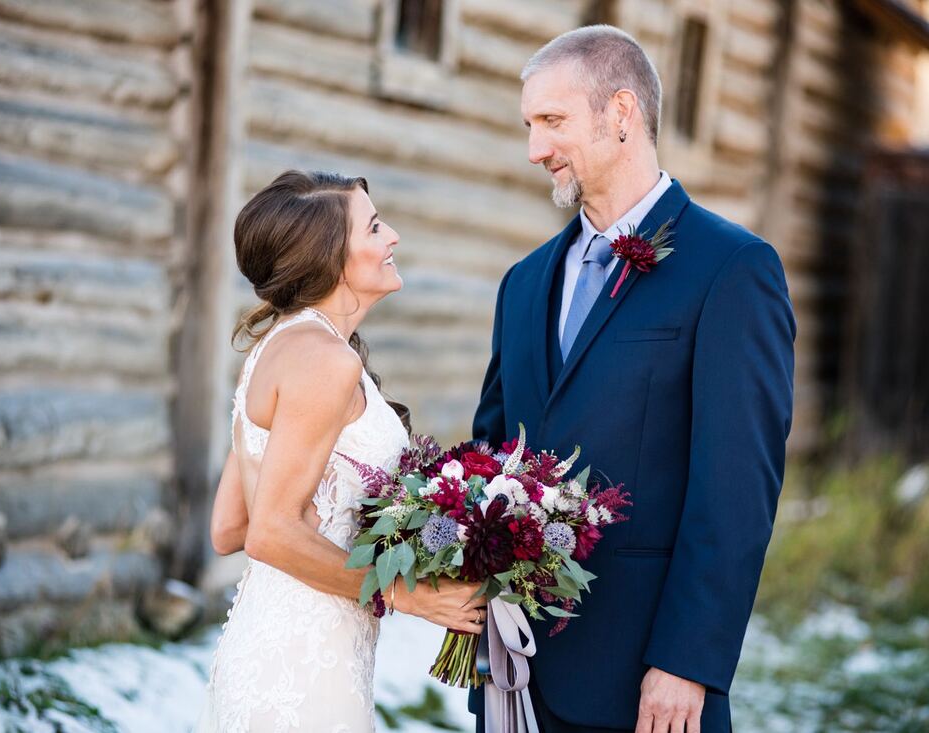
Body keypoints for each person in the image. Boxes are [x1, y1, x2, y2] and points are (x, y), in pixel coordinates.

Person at [471, 26, 796, 733]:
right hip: (514, 673)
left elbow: (736, 490)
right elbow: (493, 451)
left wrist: (689, 661)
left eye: (551, 122)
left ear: (621, 115)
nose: (535, 148)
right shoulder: (523, 284)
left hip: (647, 684)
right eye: (529, 125)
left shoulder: (732, 271)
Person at [196, 171, 487, 732]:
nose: (393, 236)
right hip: (305, 670)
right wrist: (410, 593)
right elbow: (268, 533)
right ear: (329, 257)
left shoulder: (279, 348)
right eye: (375, 227)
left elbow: (229, 527)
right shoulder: (326, 363)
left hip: (271, 649)